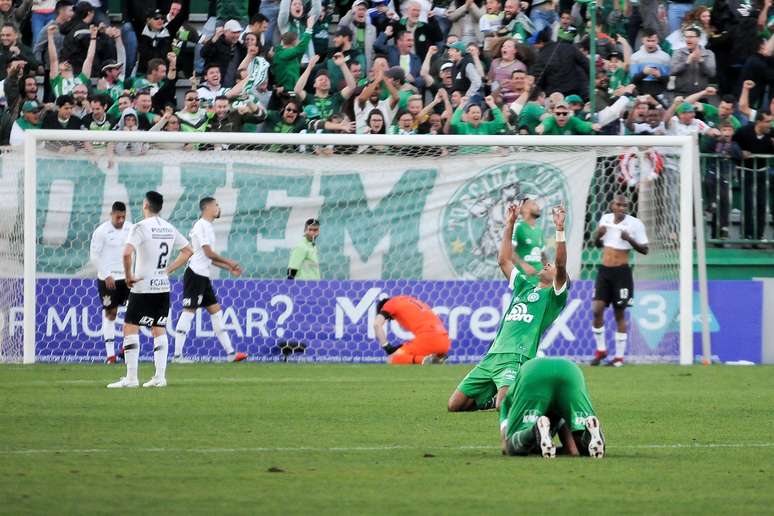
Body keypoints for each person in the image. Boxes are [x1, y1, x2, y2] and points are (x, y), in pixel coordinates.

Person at [447, 202, 569, 412]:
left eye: (553, 268)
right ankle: (490, 398)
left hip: (516, 358)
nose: (547, 265)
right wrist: (510, 224)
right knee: (455, 405)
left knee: (503, 406)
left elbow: (560, 263)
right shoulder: (523, 286)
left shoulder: (553, 297)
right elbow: (503, 260)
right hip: (491, 356)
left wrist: (559, 229)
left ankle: (535, 400)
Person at [107, 191, 193, 389]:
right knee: (158, 328)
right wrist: (170, 268)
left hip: (143, 286)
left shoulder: (140, 227)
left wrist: (128, 276)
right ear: (159, 207)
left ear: (145, 205)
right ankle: (160, 377)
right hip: (162, 287)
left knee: (130, 326)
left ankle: (131, 378)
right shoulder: (169, 227)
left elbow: (127, 253)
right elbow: (188, 251)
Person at [172, 197, 247, 364]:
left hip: (203, 275)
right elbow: (207, 253)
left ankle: (231, 353)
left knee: (216, 312)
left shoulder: (208, 227)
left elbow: (208, 258)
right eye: (217, 205)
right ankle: (177, 356)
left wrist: (228, 268)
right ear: (208, 208)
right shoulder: (201, 226)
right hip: (195, 274)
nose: (219, 208)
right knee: (188, 312)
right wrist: (229, 262)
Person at [499, 357, 605, 459]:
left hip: (534, 373)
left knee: (511, 447)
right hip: (569, 370)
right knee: (584, 445)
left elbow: (505, 448)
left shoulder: (507, 405)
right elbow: (572, 450)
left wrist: (535, 448)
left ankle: (533, 430)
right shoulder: (558, 412)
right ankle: (588, 433)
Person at [590, 195, 649, 367]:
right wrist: (597, 235)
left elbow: (645, 249)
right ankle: (601, 350)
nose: (621, 208)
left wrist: (629, 239)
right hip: (604, 270)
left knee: (619, 313)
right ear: (612, 205)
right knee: (596, 309)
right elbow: (597, 244)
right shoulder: (605, 219)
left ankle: (618, 358)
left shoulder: (635, 224)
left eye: (625, 205)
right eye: (618, 204)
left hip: (621, 272)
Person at [89, 202, 132, 364]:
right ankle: (110, 356)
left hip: (127, 279)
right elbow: (94, 255)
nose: (121, 220)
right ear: (111, 215)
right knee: (111, 313)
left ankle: (125, 349)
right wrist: (106, 275)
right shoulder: (101, 231)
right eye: (118, 217)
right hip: (108, 280)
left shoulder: (131, 229)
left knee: (133, 315)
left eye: (123, 217)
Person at [374, 296, 451, 365]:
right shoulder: (411, 300)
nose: (393, 319)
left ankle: (425, 360)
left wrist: (387, 347)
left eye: (390, 318)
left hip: (429, 340)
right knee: (407, 353)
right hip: (445, 341)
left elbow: (377, 324)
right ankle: (436, 357)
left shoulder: (389, 304)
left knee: (392, 358)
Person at [511, 197, 544, 285]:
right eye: (533, 204)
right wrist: (523, 265)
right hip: (524, 279)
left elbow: (543, 255)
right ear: (524, 209)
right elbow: (509, 252)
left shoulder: (539, 230)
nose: (538, 207)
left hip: (540, 280)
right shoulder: (518, 227)